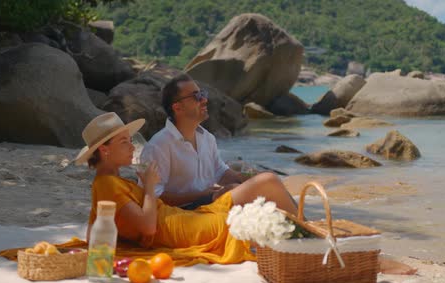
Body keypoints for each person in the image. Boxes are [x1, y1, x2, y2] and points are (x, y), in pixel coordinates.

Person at [74, 112, 299, 264]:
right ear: (104, 150)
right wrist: (150, 187)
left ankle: (306, 233)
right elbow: (149, 227)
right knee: (265, 195)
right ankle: (308, 239)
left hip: (186, 219)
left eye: (130, 140)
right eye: (124, 142)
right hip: (183, 231)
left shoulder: (110, 182)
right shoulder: (106, 184)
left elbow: (95, 227)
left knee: (266, 183)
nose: (132, 146)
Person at [139, 74, 245, 210]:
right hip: (180, 214)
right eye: (197, 96)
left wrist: (244, 178)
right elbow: (152, 195)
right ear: (177, 108)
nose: (205, 100)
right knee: (237, 191)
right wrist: (200, 196)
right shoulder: (158, 146)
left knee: (262, 181)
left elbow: (219, 171)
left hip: (207, 205)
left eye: (202, 94)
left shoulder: (207, 138)